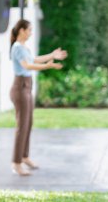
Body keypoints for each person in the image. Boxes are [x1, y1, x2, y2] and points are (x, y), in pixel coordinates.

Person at [10, 19, 67, 176]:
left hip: (27, 87)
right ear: (21, 30)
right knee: (22, 126)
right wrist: (47, 66)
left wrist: (52, 55)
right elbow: (27, 66)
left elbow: (33, 60)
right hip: (20, 87)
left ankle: (24, 156)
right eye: (29, 30)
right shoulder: (17, 47)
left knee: (28, 123)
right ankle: (16, 163)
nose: (31, 33)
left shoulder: (23, 47)